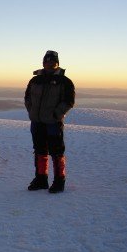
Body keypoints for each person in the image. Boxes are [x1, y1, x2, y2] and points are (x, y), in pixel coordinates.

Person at [24, 50, 75, 193]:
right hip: (37, 121)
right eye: (47, 61)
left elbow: (69, 101)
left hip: (53, 122)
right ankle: (41, 179)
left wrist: (56, 114)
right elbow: (27, 98)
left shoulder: (64, 82)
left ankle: (59, 181)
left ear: (57, 63)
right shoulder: (35, 80)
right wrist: (32, 111)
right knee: (39, 150)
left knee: (57, 151)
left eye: (52, 61)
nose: (49, 63)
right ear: (43, 62)